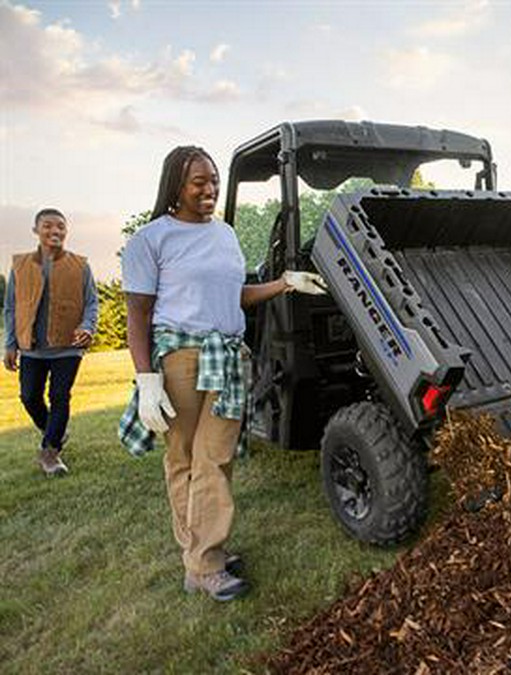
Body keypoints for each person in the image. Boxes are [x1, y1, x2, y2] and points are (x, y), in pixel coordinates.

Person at [119, 145, 324, 602]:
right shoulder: (152, 239)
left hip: (227, 358)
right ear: (176, 185)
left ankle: (203, 560)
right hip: (180, 360)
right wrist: (146, 380)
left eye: (213, 180)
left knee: (215, 457)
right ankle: (203, 560)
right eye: (199, 182)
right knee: (184, 460)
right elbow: (137, 314)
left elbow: (236, 295)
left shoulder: (225, 235)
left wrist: (286, 282)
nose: (210, 189)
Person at [3, 208, 99, 476]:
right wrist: (10, 343)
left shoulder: (81, 265)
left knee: (59, 397)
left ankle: (50, 452)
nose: (55, 231)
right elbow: (11, 307)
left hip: (68, 347)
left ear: (66, 232)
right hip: (31, 347)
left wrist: (87, 327)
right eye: (48, 226)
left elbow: (92, 303)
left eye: (60, 227)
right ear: (36, 230)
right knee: (29, 396)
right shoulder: (20, 265)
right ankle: (55, 430)